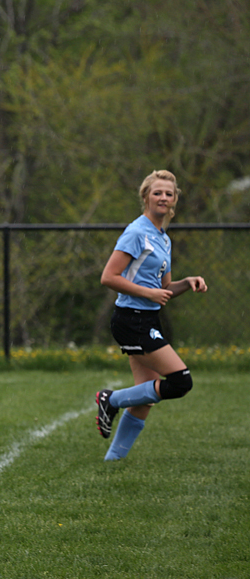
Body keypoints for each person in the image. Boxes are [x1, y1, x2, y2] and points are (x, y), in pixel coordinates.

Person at [95, 169, 208, 461]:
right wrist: (148, 294)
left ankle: (113, 462)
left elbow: (165, 288)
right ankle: (111, 399)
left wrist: (188, 282)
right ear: (146, 196)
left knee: (145, 397)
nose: (163, 198)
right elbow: (108, 276)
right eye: (157, 192)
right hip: (130, 318)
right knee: (181, 381)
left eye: (169, 194)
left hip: (147, 318)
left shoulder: (163, 238)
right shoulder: (136, 232)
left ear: (174, 202)